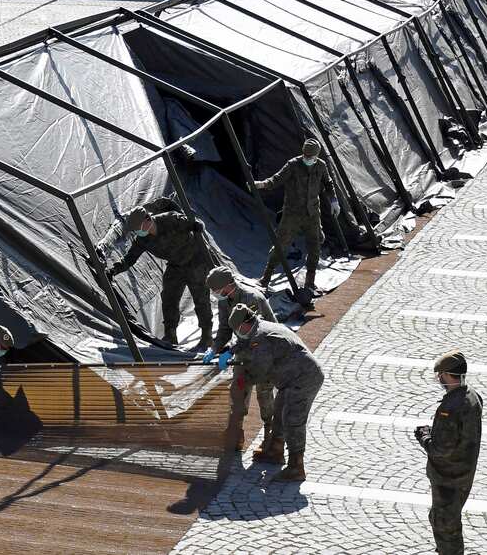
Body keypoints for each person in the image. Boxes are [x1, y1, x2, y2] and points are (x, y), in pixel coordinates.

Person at [228, 303, 325, 481]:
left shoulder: (261, 337)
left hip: (303, 378)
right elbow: (243, 342)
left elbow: (260, 371)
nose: (236, 333)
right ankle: (275, 450)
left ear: (245, 325)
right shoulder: (258, 327)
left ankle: (296, 466)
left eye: (237, 329)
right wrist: (230, 351)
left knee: (293, 420)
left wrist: (244, 379)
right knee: (279, 412)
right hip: (289, 379)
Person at [109, 206, 213, 348]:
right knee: (169, 298)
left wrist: (196, 226)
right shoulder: (143, 239)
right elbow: (130, 258)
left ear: (147, 220)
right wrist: (113, 270)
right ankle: (170, 335)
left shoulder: (170, 219)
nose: (137, 232)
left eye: (138, 228)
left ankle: (207, 336)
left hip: (195, 260)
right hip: (175, 266)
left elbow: (193, 224)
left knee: (200, 299)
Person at [415, 350, 482, 555]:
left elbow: (439, 449)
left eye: (441, 375)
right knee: (448, 519)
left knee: (445, 524)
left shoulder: (450, 408)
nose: (439, 379)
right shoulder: (472, 395)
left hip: (448, 477)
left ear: (447, 375)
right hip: (464, 471)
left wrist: (424, 437)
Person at [254, 138, 339, 292]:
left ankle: (310, 281)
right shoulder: (293, 165)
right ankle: (265, 278)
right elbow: (276, 180)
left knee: (315, 245)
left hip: (312, 212)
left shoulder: (321, 166)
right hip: (292, 213)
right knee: (281, 244)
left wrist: (334, 201)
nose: (308, 159)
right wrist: (261, 184)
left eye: (311, 157)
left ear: (316, 156)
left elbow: (328, 184)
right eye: (305, 156)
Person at [206, 268, 276, 453]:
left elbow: (253, 336)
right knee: (238, 392)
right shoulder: (225, 301)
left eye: (217, 290)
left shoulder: (251, 299)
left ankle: (271, 437)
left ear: (229, 286)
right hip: (243, 353)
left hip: (264, 353)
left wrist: (229, 351)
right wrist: (214, 349)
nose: (216, 294)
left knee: (265, 395)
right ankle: (236, 434)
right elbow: (224, 330)